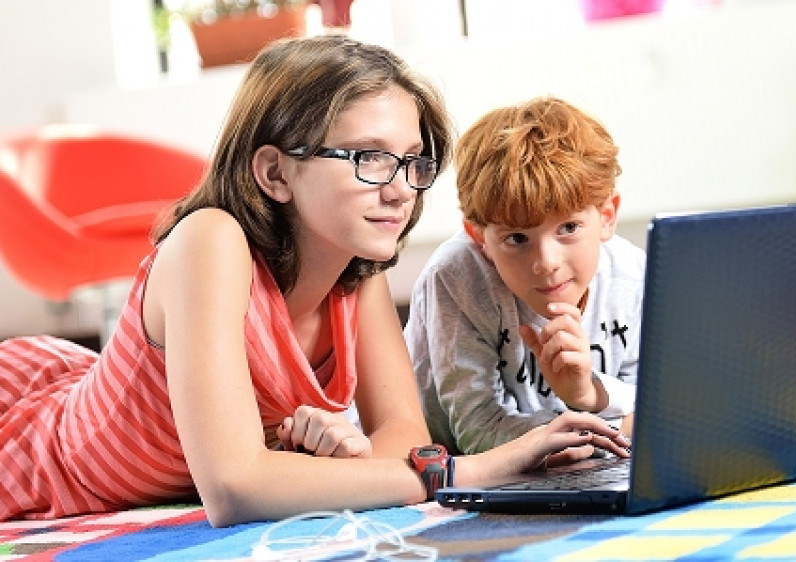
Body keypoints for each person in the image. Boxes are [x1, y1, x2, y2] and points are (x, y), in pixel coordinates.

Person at [0, 36, 629, 527]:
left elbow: (403, 440)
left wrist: (341, 461)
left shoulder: (360, 274)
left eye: (413, 161)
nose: (399, 189)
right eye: (368, 157)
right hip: (25, 449)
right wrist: (472, 471)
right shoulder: (211, 241)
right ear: (274, 172)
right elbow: (234, 487)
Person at [404, 97, 646, 455]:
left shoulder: (629, 273)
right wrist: (598, 433)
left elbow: (653, 410)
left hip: (572, 464)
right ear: (479, 237)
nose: (546, 262)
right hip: (449, 467)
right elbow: (476, 433)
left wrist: (588, 395)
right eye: (517, 238)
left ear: (607, 216)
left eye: (568, 227)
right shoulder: (455, 277)